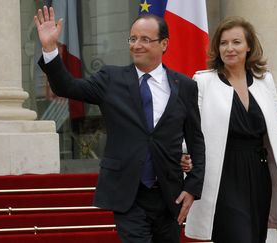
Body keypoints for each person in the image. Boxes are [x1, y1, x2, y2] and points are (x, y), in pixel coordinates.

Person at [34, 6, 205, 243]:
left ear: (163, 44)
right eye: (133, 39)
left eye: (145, 39)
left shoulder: (185, 86)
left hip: (169, 194)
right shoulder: (110, 79)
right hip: (128, 192)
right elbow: (67, 87)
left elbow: (196, 139)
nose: (137, 45)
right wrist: (50, 48)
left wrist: (194, 186)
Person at [184, 16, 277, 243]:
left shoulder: (265, 81)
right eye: (223, 43)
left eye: (236, 42)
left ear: (249, 46)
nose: (229, 48)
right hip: (222, 173)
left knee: (254, 236)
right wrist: (186, 155)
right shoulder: (203, 82)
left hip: (259, 173)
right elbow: (191, 129)